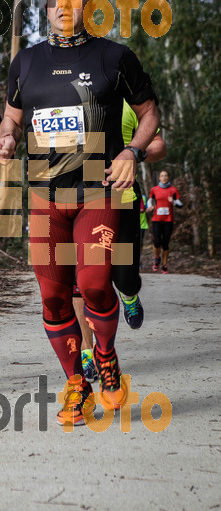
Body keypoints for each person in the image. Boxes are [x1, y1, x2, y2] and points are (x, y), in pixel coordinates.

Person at [0, 0, 160, 426]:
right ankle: (76, 384)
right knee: (52, 295)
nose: (63, 5)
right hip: (46, 193)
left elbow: (149, 114)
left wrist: (131, 150)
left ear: (89, 4)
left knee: (92, 284)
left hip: (96, 187)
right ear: (46, 8)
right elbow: (11, 120)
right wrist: (6, 139)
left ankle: (105, 357)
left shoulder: (114, 57)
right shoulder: (25, 63)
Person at [75, 101, 166, 383]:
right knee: (80, 281)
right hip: (77, 196)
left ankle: (128, 294)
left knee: (124, 275)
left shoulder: (128, 101)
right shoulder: (64, 91)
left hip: (122, 194)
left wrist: (134, 153)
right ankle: (88, 351)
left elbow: (159, 144)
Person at [148, 170, 182, 273]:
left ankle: (164, 265)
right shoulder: (154, 189)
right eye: (162, 176)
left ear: (168, 178)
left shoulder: (173, 190)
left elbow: (180, 204)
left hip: (168, 220)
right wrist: (150, 206)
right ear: (159, 178)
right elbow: (150, 200)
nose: (164, 177)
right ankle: (157, 259)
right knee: (157, 242)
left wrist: (174, 202)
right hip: (157, 220)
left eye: (166, 176)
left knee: (165, 244)